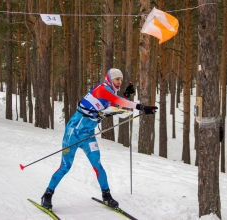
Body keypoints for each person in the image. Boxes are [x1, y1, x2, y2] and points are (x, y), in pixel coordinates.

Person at [41, 68, 158, 209]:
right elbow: (116, 100)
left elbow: (115, 104)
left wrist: (126, 94)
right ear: (109, 78)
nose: (119, 82)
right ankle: (47, 194)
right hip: (73, 133)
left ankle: (106, 195)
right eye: (117, 79)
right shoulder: (101, 89)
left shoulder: (110, 92)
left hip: (88, 135)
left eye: (121, 79)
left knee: (97, 164)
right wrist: (141, 107)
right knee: (65, 166)